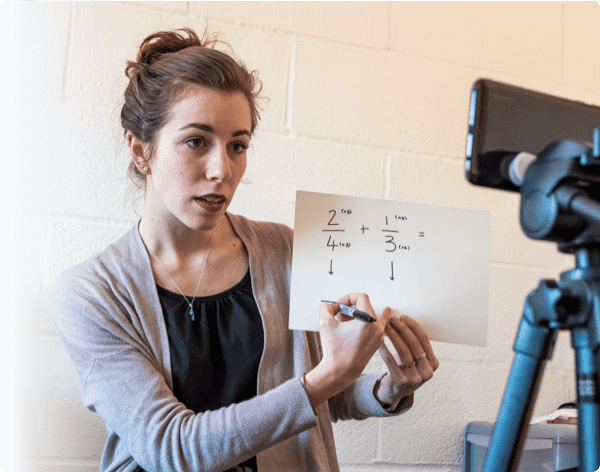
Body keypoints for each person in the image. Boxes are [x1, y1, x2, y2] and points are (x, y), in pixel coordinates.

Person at [47, 27, 439, 472]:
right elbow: (170, 448)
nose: (222, 169)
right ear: (141, 150)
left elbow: (312, 395)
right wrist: (329, 376)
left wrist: (386, 388)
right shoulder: (89, 294)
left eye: (238, 146)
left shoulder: (285, 250)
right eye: (196, 141)